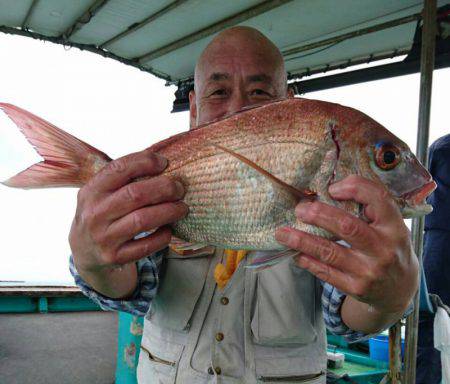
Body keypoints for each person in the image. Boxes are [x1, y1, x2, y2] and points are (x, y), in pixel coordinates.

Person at [69, 27, 418, 383]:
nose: (237, 107)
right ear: (193, 109)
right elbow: (131, 286)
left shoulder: (338, 199)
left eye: (259, 92)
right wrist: (94, 264)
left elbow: (346, 312)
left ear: (290, 103)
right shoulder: (159, 185)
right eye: (219, 92)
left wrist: (387, 299)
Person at [416, 134, 450, 384]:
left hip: (440, 237)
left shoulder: (440, 147)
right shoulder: (441, 147)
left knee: (428, 315)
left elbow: (418, 186)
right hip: (439, 234)